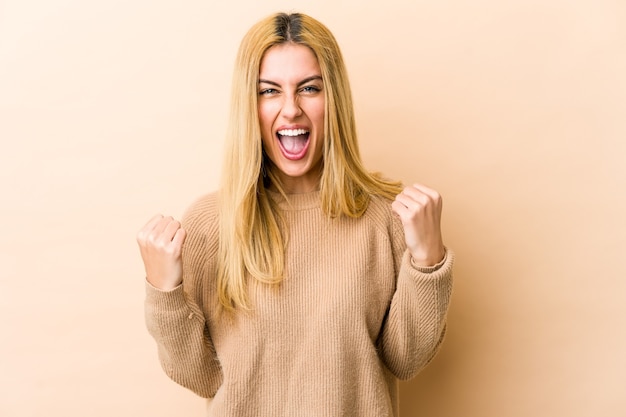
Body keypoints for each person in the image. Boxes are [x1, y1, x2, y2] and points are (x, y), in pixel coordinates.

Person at [137, 12, 454, 417]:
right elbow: (198, 375)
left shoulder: (385, 216)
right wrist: (164, 291)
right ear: (248, 105)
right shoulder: (208, 223)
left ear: (333, 98)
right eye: (269, 91)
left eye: (309, 88)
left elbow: (405, 360)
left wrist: (428, 263)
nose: (290, 110)